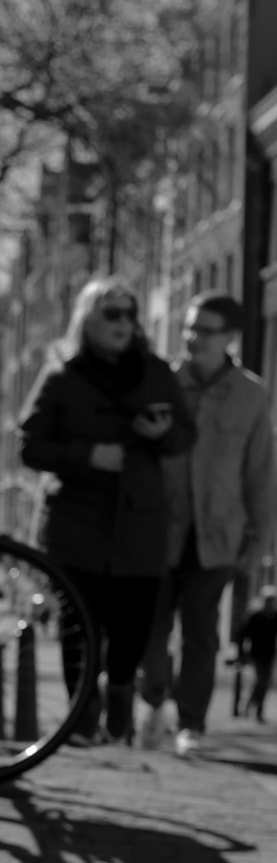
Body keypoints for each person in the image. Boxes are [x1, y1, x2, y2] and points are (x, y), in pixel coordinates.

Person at [19, 275, 195, 743]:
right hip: (78, 525)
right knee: (79, 627)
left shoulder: (157, 372)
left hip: (140, 524)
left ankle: (119, 703)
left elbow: (186, 435)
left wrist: (162, 435)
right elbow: (30, 446)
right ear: (87, 319)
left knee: (132, 629)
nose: (123, 323)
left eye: (128, 314)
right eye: (111, 314)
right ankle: (80, 723)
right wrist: (87, 455)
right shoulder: (61, 374)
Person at [138, 293, 276, 757]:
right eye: (190, 327)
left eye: (205, 330)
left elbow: (260, 472)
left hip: (218, 534)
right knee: (151, 631)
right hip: (160, 531)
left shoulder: (251, 394)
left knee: (201, 632)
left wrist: (258, 540)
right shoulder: (163, 382)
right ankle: (153, 698)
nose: (193, 337)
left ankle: (191, 723)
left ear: (230, 337)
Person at [237, 584, 277, 721]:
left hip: (270, 654)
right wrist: (242, 652)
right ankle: (253, 706)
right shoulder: (256, 617)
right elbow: (243, 634)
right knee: (261, 681)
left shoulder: (275, 616)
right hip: (257, 654)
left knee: (265, 683)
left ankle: (257, 708)